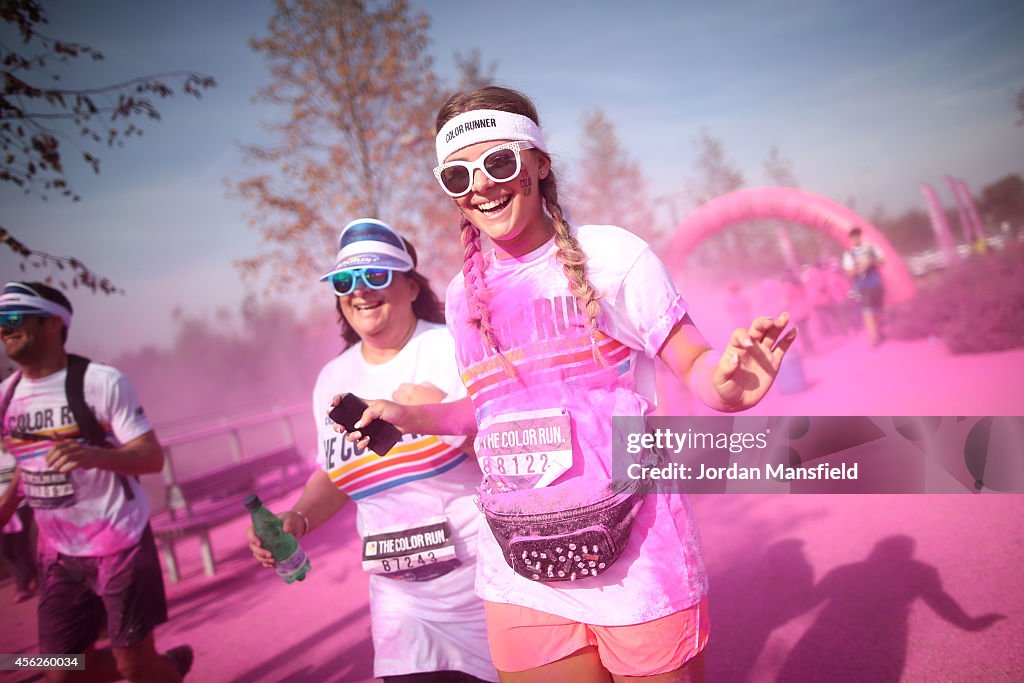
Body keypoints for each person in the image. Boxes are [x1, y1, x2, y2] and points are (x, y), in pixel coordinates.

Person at [338, 87, 797, 683]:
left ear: (539, 163)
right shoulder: (459, 296)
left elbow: (700, 369)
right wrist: (407, 416)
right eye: (458, 175)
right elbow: (486, 412)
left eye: (499, 162)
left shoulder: (613, 256)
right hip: (519, 569)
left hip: (637, 560)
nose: (481, 184)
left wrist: (733, 387)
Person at [247, 219, 498, 683]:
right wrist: (296, 519)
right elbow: (335, 474)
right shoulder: (333, 379)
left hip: (481, 586)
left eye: (376, 276)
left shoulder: (453, 348)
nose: (360, 291)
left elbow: (510, 453)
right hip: (401, 603)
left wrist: (437, 414)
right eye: (345, 281)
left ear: (409, 284)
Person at [0, 282, 192, 682]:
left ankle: (163, 670)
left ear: (53, 324)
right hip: (55, 554)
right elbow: (20, 469)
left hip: (118, 541)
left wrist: (93, 456)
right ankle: (165, 668)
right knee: (61, 672)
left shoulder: (101, 382)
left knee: (133, 665)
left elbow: (152, 457)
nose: (3, 329)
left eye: (13, 318)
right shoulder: (5, 397)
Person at [841, 227, 886, 346]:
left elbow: (882, 262)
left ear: (861, 236)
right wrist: (860, 267)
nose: (855, 239)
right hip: (862, 287)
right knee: (868, 312)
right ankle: (873, 339)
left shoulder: (872, 249)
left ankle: (879, 331)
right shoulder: (848, 254)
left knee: (878, 312)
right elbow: (849, 272)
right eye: (852, 238)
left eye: (857, 236)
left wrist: (871, 261)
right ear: (850, 239)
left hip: (876, 284)